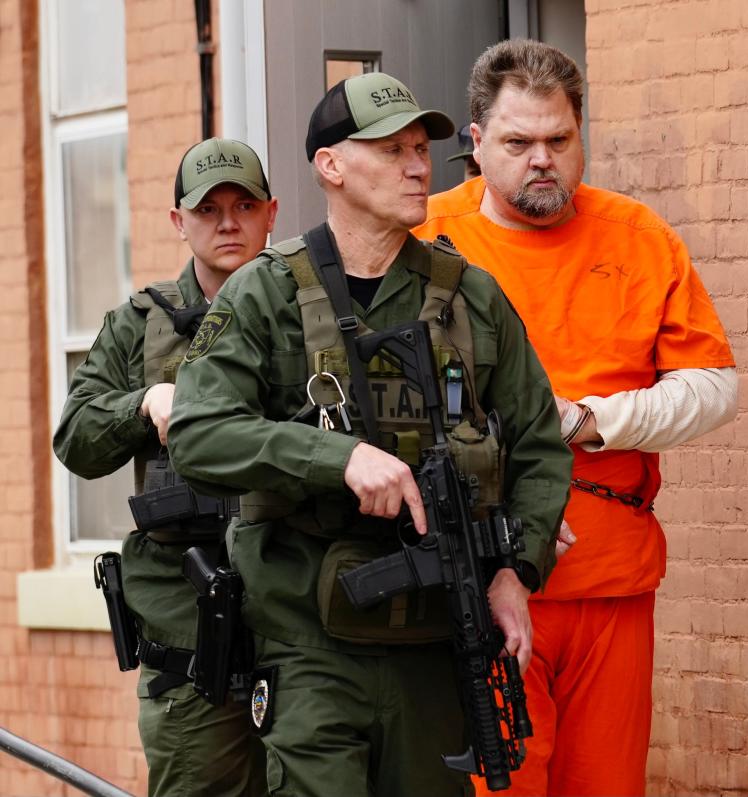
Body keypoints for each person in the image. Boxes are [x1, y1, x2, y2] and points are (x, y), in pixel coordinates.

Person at [166, 71, 571, 797]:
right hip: (311, 646)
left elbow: (540, 443)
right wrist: (337, 455)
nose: (419, 166)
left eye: (421, 148)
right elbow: (197, 432)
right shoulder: (267, 291)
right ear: (332, 166)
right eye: (392, 150)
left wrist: (519, 569)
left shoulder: (469, 295)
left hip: (437, 643)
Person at [415, 39, 739, 797]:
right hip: (478, 576)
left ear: (581, 132)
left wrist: (594, 419)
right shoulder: (425, 239)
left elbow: (715, 388)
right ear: (475, 142)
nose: (542, 160)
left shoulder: (638, 236)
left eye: (559, 141)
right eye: (518, 142)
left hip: (609, 581)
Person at [53, 138, 277, 796]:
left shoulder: (311, 315)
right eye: (208, 209)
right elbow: (75, 438)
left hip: (300, 627)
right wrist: (141, 402)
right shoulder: (140, 326)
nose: (228, 222)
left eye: (243, 205)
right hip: (192, 635)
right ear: (179, 222)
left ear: (272, 213)